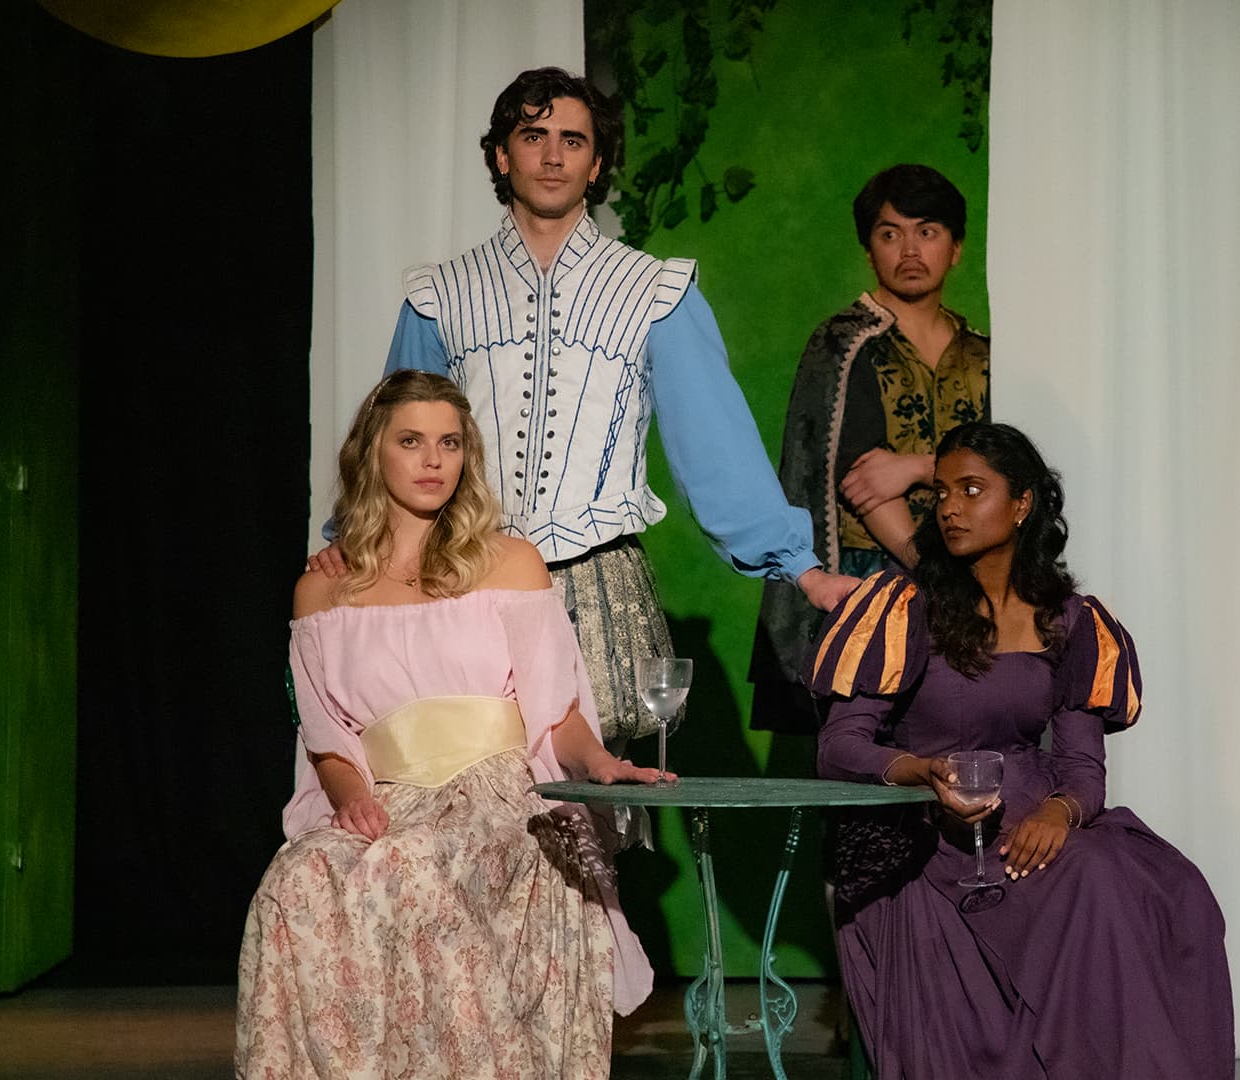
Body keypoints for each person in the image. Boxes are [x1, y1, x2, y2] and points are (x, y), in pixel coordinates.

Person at [313, 66, 857, 743]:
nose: (551, 155)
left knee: (588, 819)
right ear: (501, 154)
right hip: (459, 572)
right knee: (463, 777)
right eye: (533, 135)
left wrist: (799, 568)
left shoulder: (654, 290)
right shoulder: (439, 295)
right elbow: (394, 439)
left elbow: (714, 447)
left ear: (596, 164)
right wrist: (348, 542)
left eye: (572, 140)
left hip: (596, 583)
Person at [239, 370, 667, 1078]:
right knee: (293, 883)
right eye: (412, 441)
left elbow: (556, 710)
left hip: (499, 796)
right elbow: (326, 738)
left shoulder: (510, 562)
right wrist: (350, 800)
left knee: (416, 867)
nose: (434, 460)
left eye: (450, 443)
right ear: (373, 453)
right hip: (388, 796)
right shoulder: (321, 587)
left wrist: (599, 763)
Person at [806, 422, 1234, 1078]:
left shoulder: (1070, 620)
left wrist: (1061, 814)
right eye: (941, 492)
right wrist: (920, 771)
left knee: (1164, 891)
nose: (949, 507)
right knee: (1090, 888)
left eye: (972, 489)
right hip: (921, 831)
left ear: (1023, 503)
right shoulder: (903, 606)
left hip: (1027, 820)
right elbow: (839, 745)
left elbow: (1083, 768)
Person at [750, 163, 989, 735]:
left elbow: (1001, 472)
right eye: (890, 233)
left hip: (973, 575)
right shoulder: (845, 344)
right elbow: (860, 483)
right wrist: (929, 569)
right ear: (868, 249)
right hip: (871, 579)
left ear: (955, 247)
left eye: (927, 231)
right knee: (865, 756)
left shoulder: (983, 355)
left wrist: (916, 466)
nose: (909, 249)